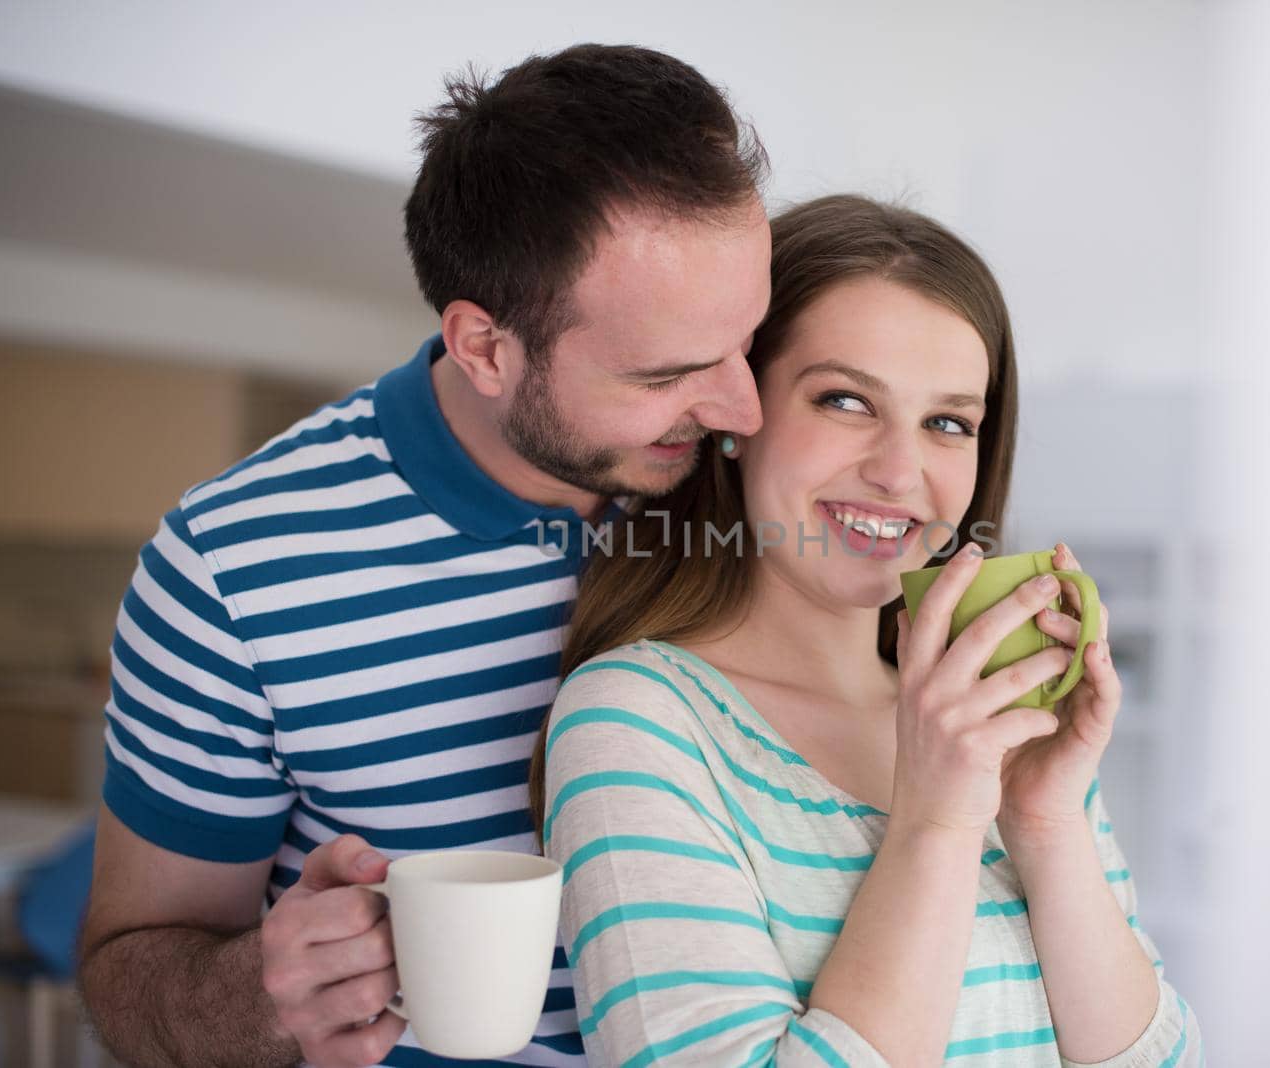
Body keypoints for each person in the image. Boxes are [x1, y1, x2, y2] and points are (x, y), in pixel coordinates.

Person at [77, 44, 771, 1068]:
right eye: (667, 373)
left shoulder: (757, 488)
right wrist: (263, 993)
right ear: (484, 347)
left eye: (746, 341)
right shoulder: (233, 564)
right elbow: (127, 965)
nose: (739, 411)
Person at [536, 195, 1205, 1066]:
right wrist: (935, 823)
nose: (899, 472)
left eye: (947, 423)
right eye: (846, 401)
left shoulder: (988, 718)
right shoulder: (636, 723)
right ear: (740, 413)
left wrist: (1044, 823)